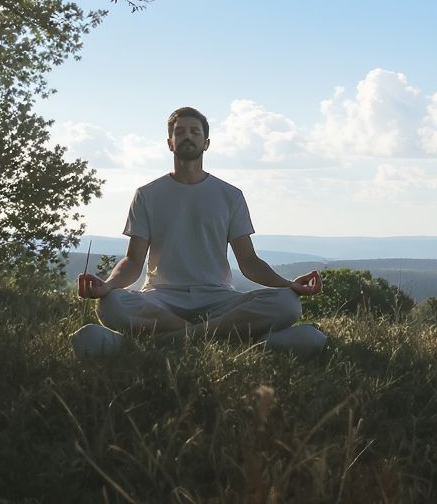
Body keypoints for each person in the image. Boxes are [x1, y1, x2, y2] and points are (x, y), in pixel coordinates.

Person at [71, 106, 328, 358]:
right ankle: (231, 340)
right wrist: (108, 285)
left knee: (287, 303)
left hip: (218, 298)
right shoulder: (147, 195)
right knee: (111, 303)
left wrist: (289, 285)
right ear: (170, 143)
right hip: (162, 300)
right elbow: (133, 260)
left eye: (194, 131)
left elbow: (248, 262)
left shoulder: (230, 195)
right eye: (180, 131)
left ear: (206, 143)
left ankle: (165, 342)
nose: (187, 136)